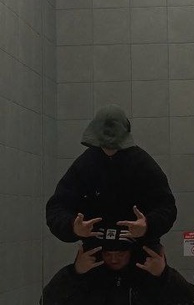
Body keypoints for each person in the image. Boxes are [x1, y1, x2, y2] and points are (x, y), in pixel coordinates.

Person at [41, 227, 194, 305]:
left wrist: (164, 274)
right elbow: (49, 303)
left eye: (121, 253)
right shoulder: (87, 277)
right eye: (108, 254)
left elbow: (186, 302)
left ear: (131, 252)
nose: (114, 259)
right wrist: (74, 272)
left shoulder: (147, 275)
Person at [46, 105, 176, 245]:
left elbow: (166, 207)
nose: (110, 148)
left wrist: (148, 225)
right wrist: (72, 226)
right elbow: (57, 207)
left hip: (137, 251)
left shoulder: (142, 165)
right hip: (98, 252)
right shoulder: (85, 165)